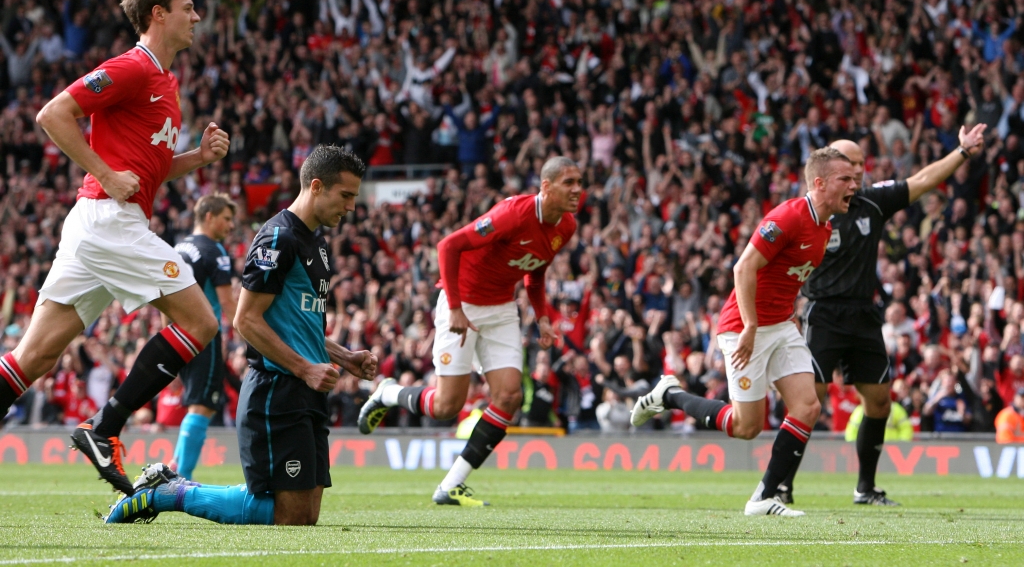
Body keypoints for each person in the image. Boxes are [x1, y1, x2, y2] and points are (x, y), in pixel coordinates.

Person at [0, 0, 230, 495]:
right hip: (108, 220)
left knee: (32, 357)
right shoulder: (132, 68)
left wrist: (196, 157)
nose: (196, 17)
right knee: (201, 322)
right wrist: (104, 172)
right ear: (158, 14)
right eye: (187, 7)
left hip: (98, 224)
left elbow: (146, 169)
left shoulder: (165, 85)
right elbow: (53, 114)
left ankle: (103, 428)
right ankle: (104, 427)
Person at [106, 145, 378, 525]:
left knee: (305, 514)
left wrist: (345, 357)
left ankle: (169, 487)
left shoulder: (316, 241)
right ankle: (170, 491)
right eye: (345, 195)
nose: (351, 207)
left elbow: (299, 324)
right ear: (316, 186)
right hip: (277, 390)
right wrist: (304, 368)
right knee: (290, 516)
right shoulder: (278, 238)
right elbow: (246, 321)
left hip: (307, 388)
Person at [631, 147, 858, 517]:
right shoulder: (787, 217)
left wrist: (791, 314)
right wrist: (751, 325)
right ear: (819, 183)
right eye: (845, 179)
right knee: (745, 426)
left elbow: (786, 276)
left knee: (808, 405)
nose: (854, 185)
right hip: (744, 326)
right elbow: (742, 269)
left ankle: (765, 496)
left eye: (854, 178)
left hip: (782, 325)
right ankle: (670, 395)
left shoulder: (826, 226)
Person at [357, 156, 582, 506]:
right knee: (447, 405)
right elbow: (448, 245)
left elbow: (535, 272)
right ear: (546, 187)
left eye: (579, 182)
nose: (577, 189)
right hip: (461, 302)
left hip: (502, 309)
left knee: (509, 396)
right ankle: (388, 393)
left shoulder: (565, 226)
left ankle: (451, 485)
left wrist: (541, 316)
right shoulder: (514, 214)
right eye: (569, 182)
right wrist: (458, 308)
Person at [779, 125, 985, 506]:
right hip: (822, 313)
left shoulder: (873, 202)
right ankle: (782, 485)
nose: (858, 170)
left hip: (863, 315)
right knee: (809, 402)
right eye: (849, 164)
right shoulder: (810, 211)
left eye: (861, 163)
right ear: (828, 170)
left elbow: (923, 180)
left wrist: (963, 152)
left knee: (879, 401)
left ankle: (865, 488)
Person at [169, 193, 238, 480]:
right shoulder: (215, 251)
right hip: (205, 335)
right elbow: (228, 306)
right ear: (209, 216)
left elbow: (165, 297)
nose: (231, 225)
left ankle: (175, 467)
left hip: (176, 334)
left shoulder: (177, 248)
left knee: (197, 404)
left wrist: (168, 341)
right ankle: (180, 476)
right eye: (226, 218)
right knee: (203, 405)